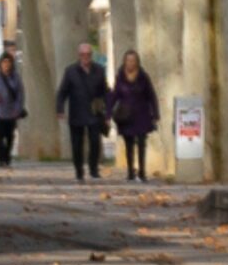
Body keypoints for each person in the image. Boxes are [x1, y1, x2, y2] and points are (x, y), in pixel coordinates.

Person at [56, 40, 110, 180]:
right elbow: (62, 92)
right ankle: (79, 171)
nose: (86, 57)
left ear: (91, 55)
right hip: (77, 112)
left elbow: (105, 91)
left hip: (94, 112)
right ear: (79, 55)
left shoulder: (99, 70)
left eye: (88, 54)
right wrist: (60, 109)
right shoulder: (70, 71)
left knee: (95, 142)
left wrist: (108, 111)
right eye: (83, 54)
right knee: (77, 145)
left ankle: (93, 170)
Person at [107, 49, 160, 181]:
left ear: (137, 62)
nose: (130, 63)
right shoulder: (120, 76)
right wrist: (108, 113)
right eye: (128, 60)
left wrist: (155, 113)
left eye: (133, 60)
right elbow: (114, 95)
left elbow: (151, 95)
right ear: (124, 62)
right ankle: (130, 171)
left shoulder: (143, 77)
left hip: (142, 114)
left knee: (142, 143)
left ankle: (142, 172)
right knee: (129, 143)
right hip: (126, 115)